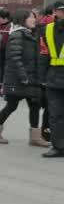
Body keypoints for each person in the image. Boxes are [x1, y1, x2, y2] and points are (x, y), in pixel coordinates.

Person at [0, 10, 48, 146]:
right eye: (31, 17)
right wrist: (24, 77)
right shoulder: (18, 35)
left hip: (31, 78)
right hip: (21, 79)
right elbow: (14, 58)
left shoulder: (30, 34)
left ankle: (35, 137)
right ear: (23, 19)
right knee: (11, 105)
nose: (34, 19)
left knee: (34, 105)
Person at [39, 10, 64, 157]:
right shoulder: (47, 30)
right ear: (55, 12)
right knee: (55, 115)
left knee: (56, 115)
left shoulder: (46, 29)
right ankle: (58, 146)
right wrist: (41, 79)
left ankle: (58, 146)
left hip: (53, 77)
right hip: (54, 78)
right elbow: (43, 54)